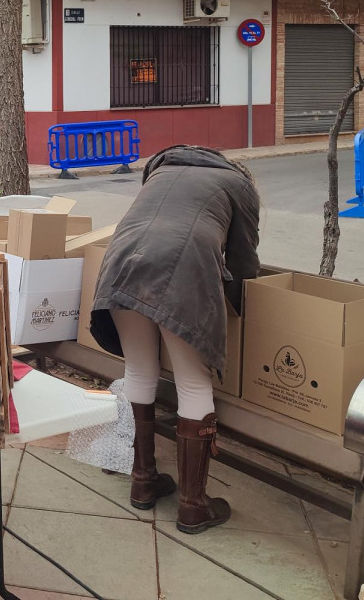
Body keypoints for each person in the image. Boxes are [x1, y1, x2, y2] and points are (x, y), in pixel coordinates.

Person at [90, 145, 260, 535]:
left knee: (138, 369)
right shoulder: (238, 184)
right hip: (183, 270)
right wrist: (234, 311)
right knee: (194, 381)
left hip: (121, 263)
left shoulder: (161, 170)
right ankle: (193, 505)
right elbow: (244, 262)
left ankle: (143, 479)